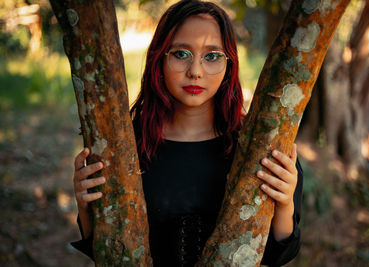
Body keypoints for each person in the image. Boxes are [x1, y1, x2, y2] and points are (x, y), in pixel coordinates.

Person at [71, 0, 303, 266]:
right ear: (159, 59)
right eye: (181, 54)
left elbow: (279, 253)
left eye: (212, 56)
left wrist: (284, 203)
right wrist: (84, 203)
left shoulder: (257, 147)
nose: (195, 71)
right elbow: (100, 248)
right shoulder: (124, 144)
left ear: (229, 65)